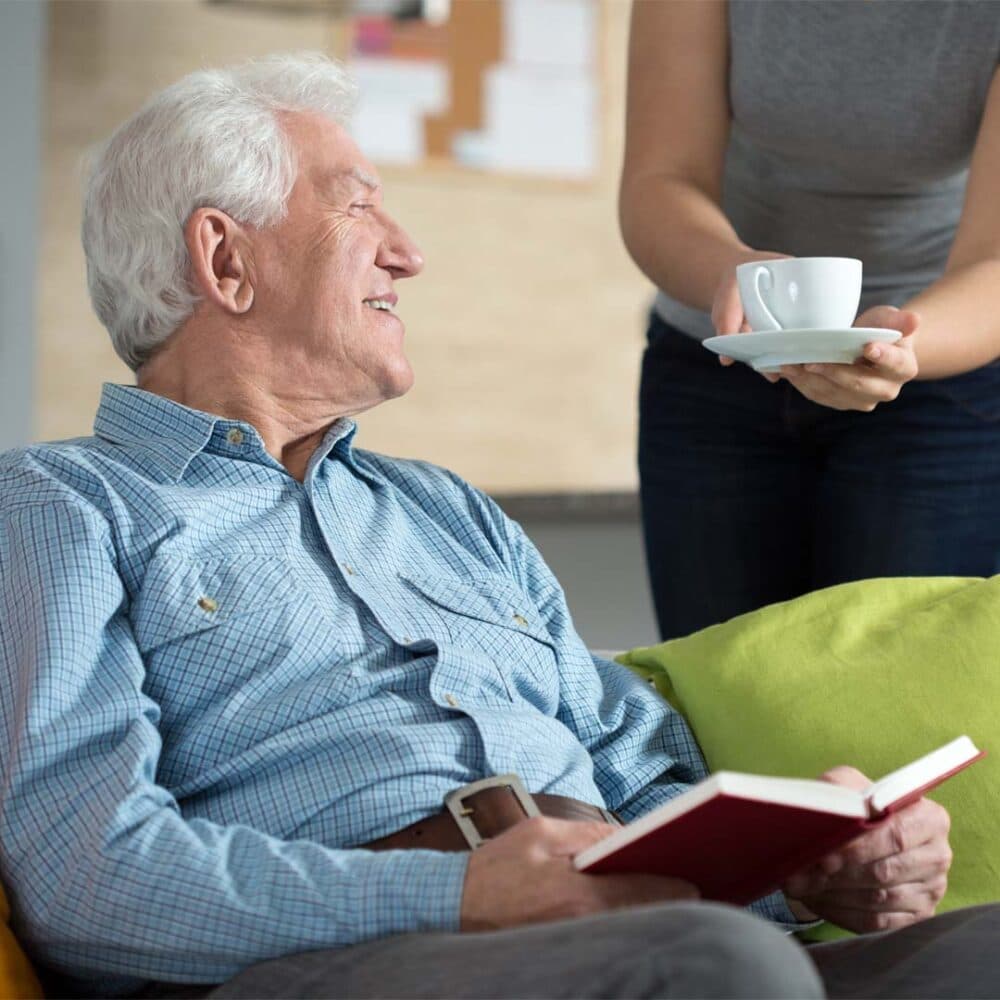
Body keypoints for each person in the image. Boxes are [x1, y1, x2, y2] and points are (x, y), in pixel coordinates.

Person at [0, 53, 995, 1000]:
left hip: (629, 935)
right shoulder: (67, 506)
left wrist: (805, 874)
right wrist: (461, 895)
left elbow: (632, 768)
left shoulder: (444, 510)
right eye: (358, 206)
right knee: (715, 966)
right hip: (346, 958)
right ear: (225, 258)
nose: (410, 252)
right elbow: (88, 878)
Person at [620, 0, 1000, 640]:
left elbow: (994, 259)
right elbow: (662, 177)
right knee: (720, 690)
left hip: (939, 368)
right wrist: (735, 273)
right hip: (717, 358)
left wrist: (892, 347)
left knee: (895, 703)